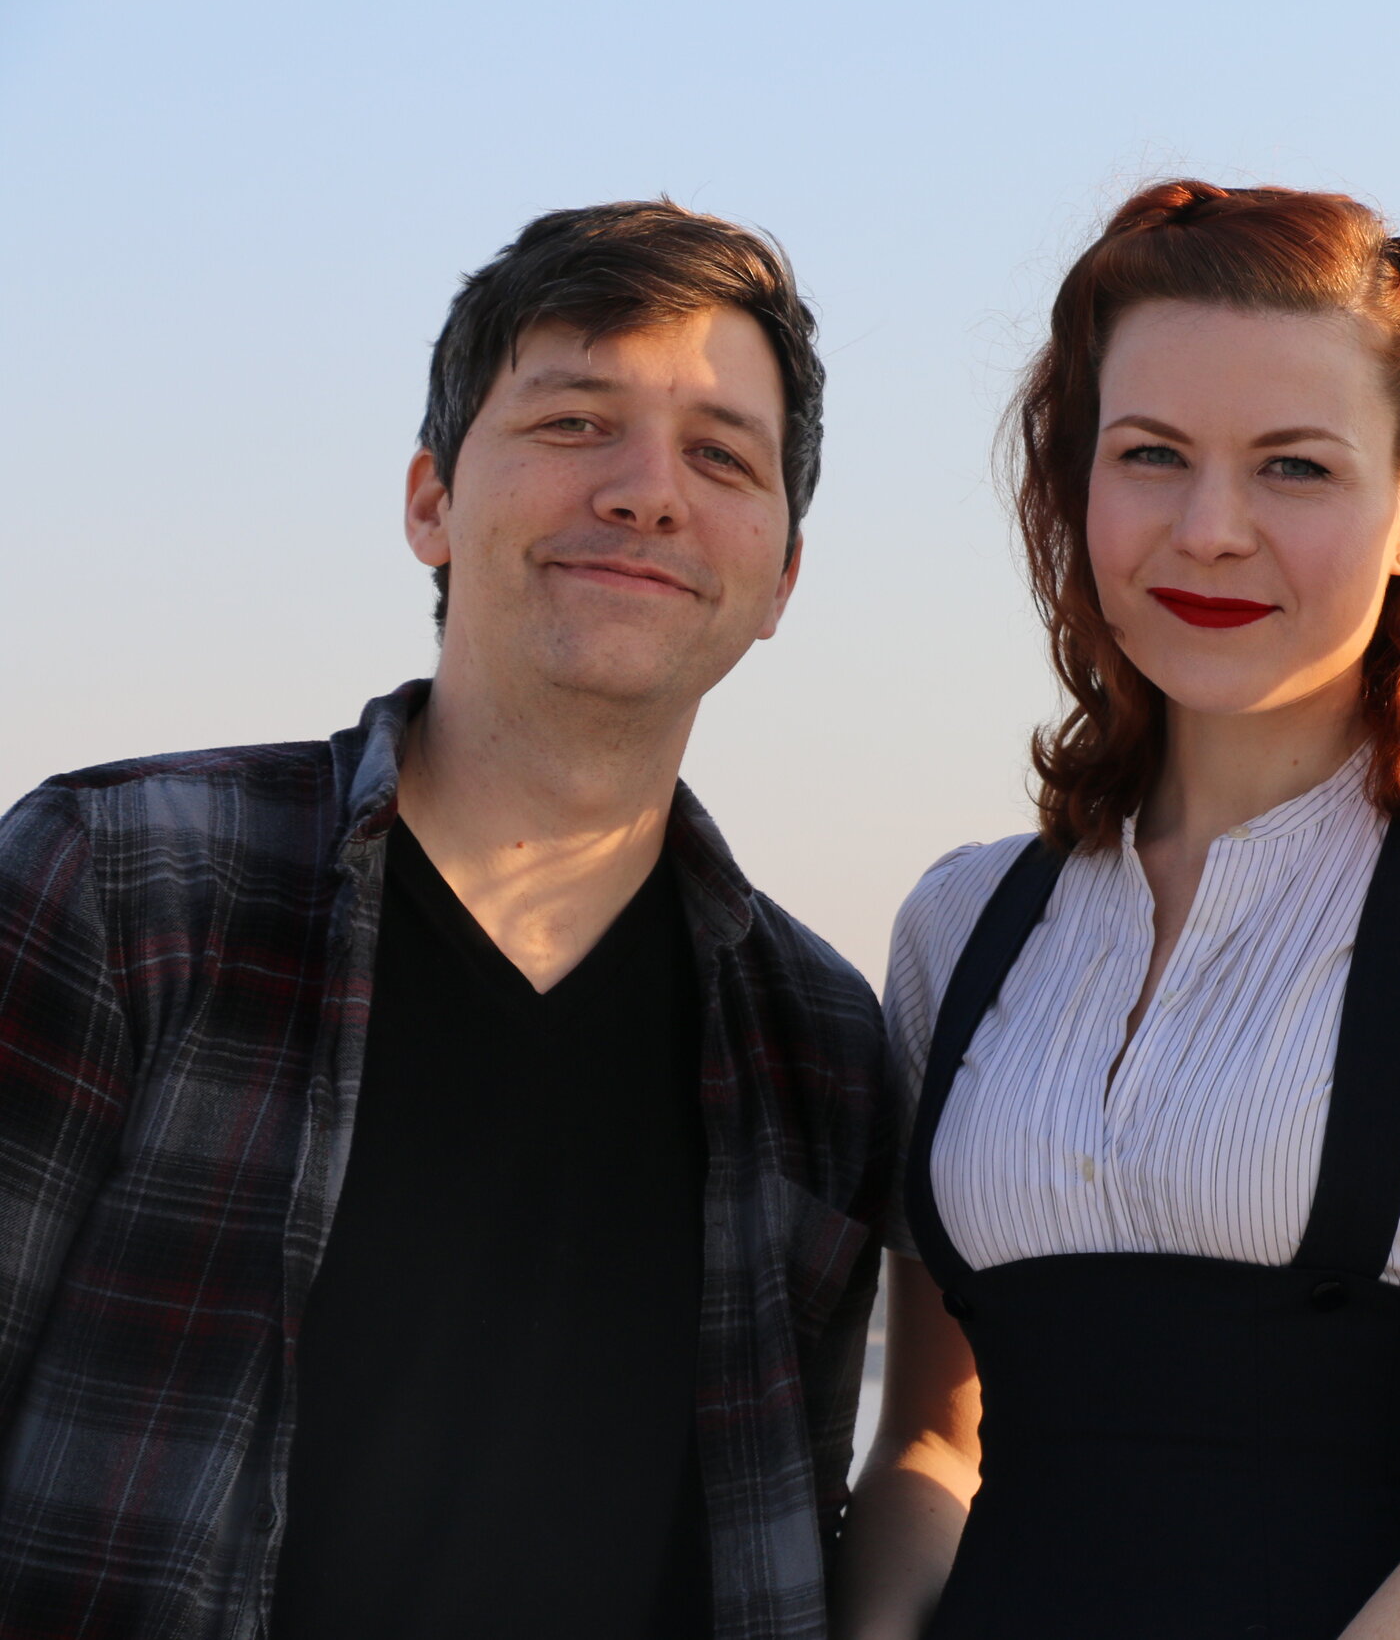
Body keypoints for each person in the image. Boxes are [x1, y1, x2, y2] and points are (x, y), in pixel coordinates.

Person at [0, 201, 892, 1640]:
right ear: (430, 500)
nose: (648, 493)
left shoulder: (828, 1047)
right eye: (574, 423)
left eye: (722, 456)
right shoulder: (120, 889)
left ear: (780, 575)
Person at [832, 180, 1400, 1640]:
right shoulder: (959, 923)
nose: (1211, 530)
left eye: (1294, 469)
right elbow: (934, 1438)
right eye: (1151, 456)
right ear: (1076, 480)